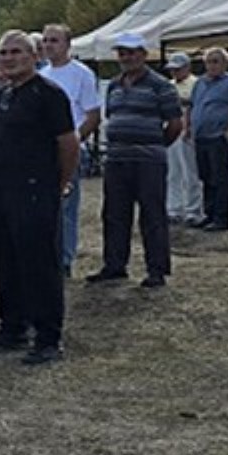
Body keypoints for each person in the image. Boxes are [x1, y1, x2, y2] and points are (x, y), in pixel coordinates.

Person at [0, 30, 79, 365]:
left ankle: (48, 336)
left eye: (16, 51)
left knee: (39, 263)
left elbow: (68, 143)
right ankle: (13, 326)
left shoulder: (49, 94)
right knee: (6, 260)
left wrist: (59, 184)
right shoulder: (3, 94)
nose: (8, 58)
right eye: (3, 52)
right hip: (0, 190)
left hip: (35, 189)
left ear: (34, 55)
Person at [88, 33, 182, 288]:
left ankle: (157, 270)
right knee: (114, 214)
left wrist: (155, 145)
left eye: (131, 52)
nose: (126, 58)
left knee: (152, 215)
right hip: (117, 158)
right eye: (122, 53)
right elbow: (111, 116)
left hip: (148, 160)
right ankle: (115, 265)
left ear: (143, 54)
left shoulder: (161, 85)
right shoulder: (115, 86)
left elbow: (175, 124)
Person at [39, 23, 103, 275]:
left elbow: (93, 114)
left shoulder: (81, 74)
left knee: (66, 208)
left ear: (67, 44)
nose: (48, 45)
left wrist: (74, 143)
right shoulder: (42, 74)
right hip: (42, 150)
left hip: (69, 149)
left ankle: (64, 259)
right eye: (45, 40)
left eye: (54, 40)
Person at [189, 47, 228, 232]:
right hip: (201, 136)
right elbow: (193, 106)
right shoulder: (199, 83)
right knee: (205, 176)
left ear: (225, 64)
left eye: (216, 61)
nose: (212, 66)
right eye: (209, 62)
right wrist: (190, 128)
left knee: (220, 178)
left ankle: (221, 218)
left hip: (218, 136)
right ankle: (208, 214)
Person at [163, 54, 205, 225]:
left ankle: (192, 209)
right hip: (171, 129)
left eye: (178, 69)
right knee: (173, 171)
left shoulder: (196, 83)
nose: (174, 72)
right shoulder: (169, 85)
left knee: (190, 171)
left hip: (187, 131)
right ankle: (174, 207)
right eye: (172, 69)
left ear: (187, 68)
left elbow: (193, 104)